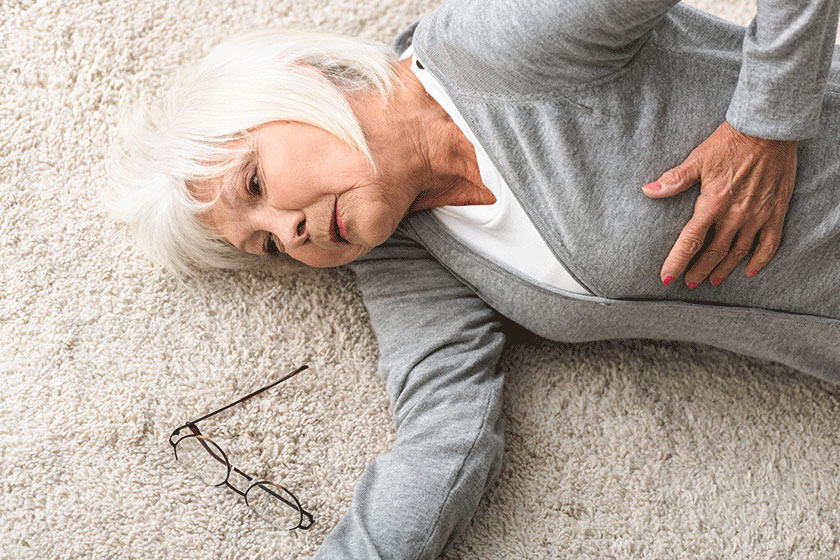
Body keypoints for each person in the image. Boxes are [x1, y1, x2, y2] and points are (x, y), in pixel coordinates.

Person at [106, 0, 840, 558]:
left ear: (300, 86)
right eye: (265, 246)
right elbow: (443, 438)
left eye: (255, 184)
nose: (287, 232)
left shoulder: (491, 49)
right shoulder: (406, 249)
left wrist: (763, 125)